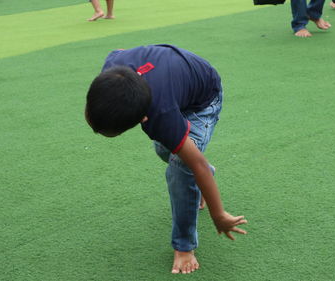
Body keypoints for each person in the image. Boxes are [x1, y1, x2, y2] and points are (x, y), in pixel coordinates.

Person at [85, 44, 248, 274]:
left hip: (202, 99)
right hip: (174, 88)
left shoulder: (160, 116)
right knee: (168, 151)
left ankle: (184, 246)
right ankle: (199, 181)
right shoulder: (111, 71)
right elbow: (118, 50)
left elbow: (197, 164)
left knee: (182, 166)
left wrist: (218, 214)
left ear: (143, 119)